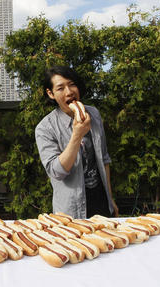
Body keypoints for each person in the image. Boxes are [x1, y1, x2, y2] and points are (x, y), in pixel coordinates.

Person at [35, 66, 119, 219]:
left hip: (101, 204)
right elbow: (57, 172)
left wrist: (110, 199)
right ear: (51, 93)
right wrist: (77, 135)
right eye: (60, 88)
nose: (69, 92)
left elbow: (104, 159)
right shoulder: (45, 128)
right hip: (71, 212)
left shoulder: (93, 114)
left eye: (72, 84)